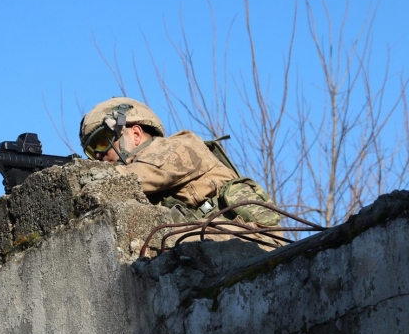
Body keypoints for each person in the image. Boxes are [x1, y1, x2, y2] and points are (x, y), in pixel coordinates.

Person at [79, 97, 286, 249]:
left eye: (102, 141)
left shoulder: (179, 147)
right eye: (91, 151)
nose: (98, 155)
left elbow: (139, 175)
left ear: (135, 134)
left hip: (259, 243)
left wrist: (85, 178)